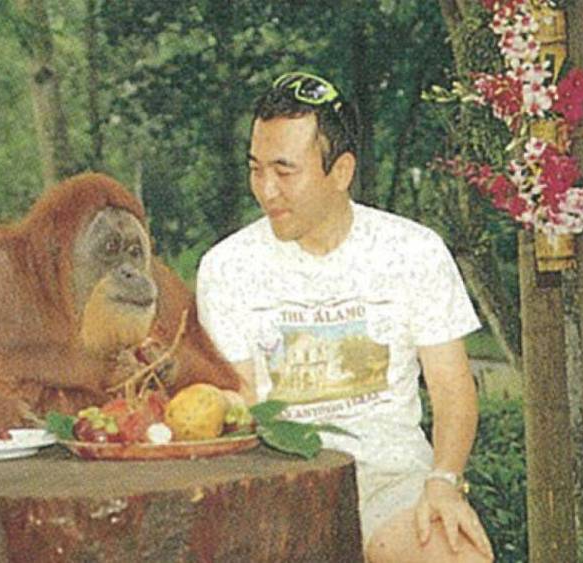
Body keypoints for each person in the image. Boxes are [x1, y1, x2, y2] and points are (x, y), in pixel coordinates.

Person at [196, 71, 494, 562]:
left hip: (392, 482)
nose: (266, 190)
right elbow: (239, 404)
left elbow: (452, 389)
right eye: (256, 169)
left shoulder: (413, 251)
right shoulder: (227, 267)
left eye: (285, 172)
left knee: (458, 555)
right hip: (276, 486)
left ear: (341, 171)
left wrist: (444, 481)